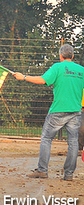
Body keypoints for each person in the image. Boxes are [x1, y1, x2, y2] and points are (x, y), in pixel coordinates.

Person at [12, 44, 84, 181]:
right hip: (75, 111)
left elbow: (43, 80)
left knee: (46, 139)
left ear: (61, 55)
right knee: (73, 142)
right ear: (73, 56)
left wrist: (24, 77)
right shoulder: (81, 70)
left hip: (58, 110)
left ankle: (42, 170)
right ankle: (69, 174)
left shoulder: (57, 67)